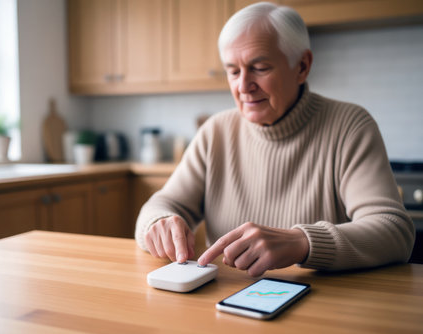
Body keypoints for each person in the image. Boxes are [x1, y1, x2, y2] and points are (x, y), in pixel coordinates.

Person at [135, 2, 415, 276]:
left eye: (259, 68)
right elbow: (161, 205)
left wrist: (301, 242)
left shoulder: (349, 126)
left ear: (302, 66)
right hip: (225, 301)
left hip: (322, 307)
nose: (243, 86)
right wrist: (158, 222)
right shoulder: (215, 132)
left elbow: (394, 231)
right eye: (233, 71)